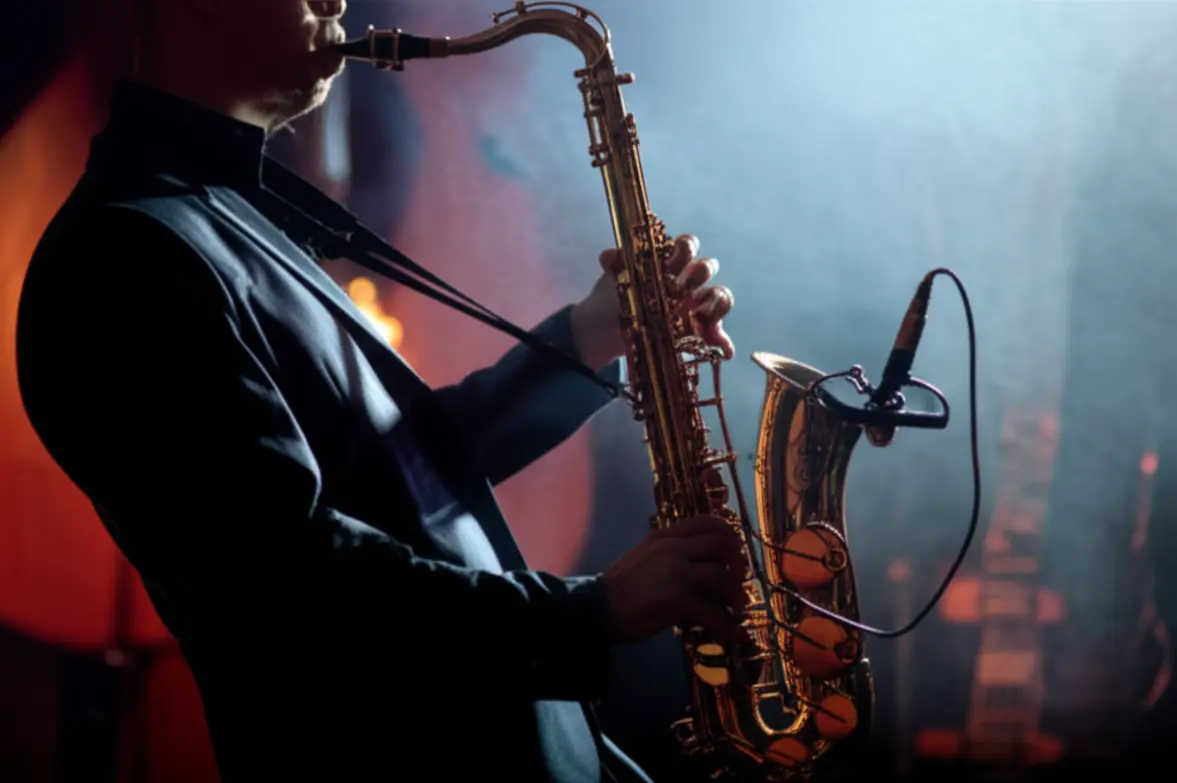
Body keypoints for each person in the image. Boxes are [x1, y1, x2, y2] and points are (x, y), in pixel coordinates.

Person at [15, 2, 746, 781]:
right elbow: (291, 584)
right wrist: (589, 613)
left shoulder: (220, 216)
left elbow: (400, 471)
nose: (337, 1)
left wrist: (593, 334)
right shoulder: (123, 254)